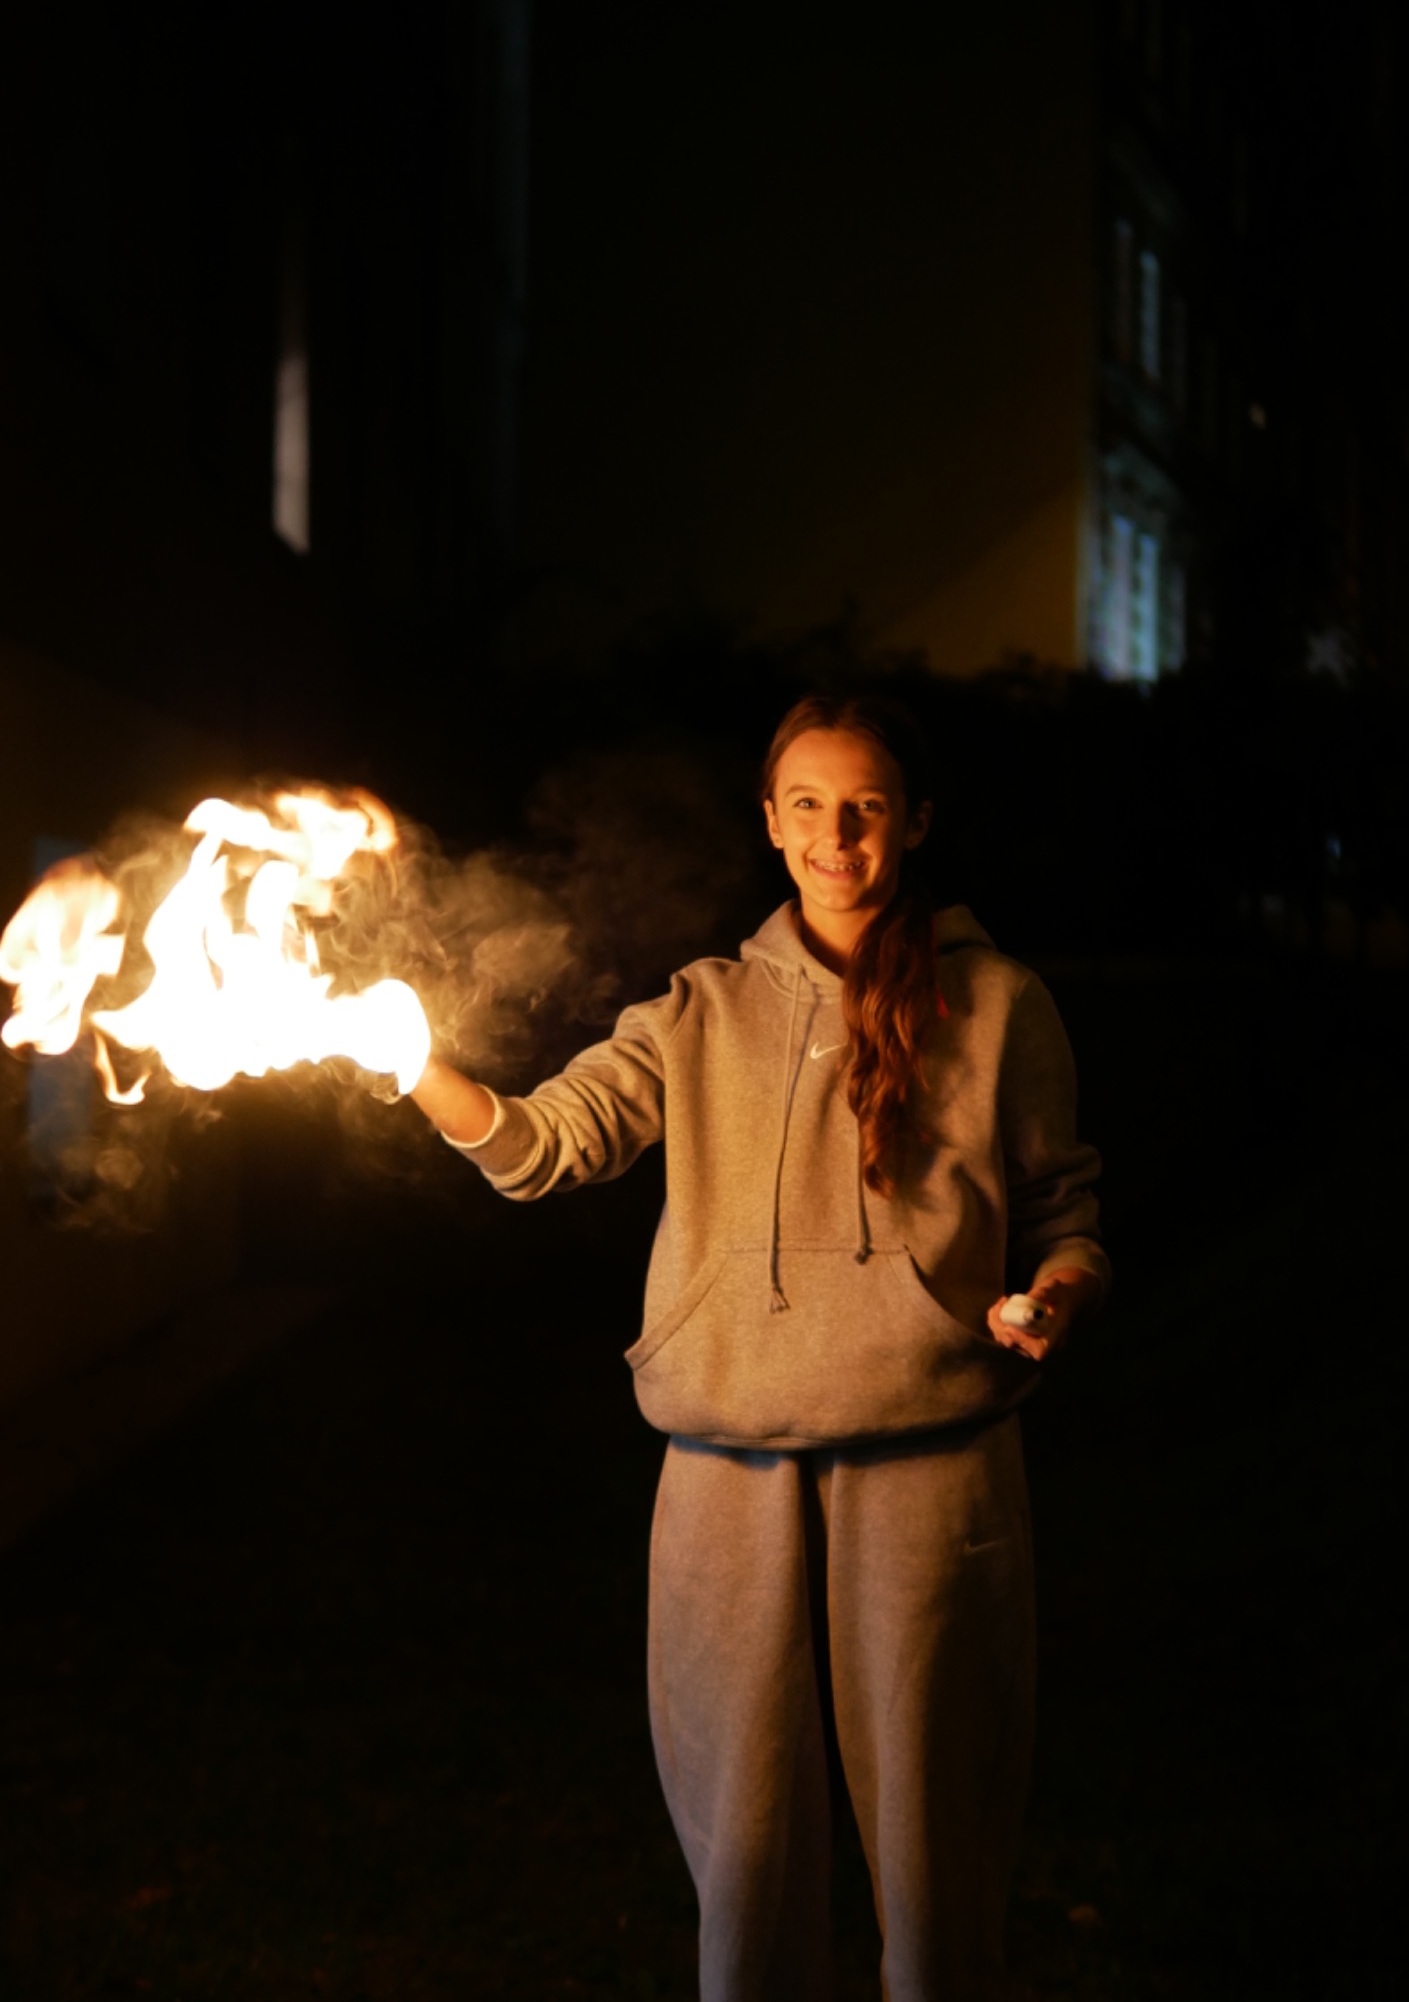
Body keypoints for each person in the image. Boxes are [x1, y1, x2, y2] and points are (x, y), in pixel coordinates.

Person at [409, 692, 1108, 2002]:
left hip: (933, 1466)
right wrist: (407, 1061)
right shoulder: (697, 1011)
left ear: (910, 825)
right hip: (726, 1474)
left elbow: (1065, 1215)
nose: (834, 834)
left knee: (938, 1850)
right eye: (805, 805)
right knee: (745, 1846)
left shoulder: (1002, 1003)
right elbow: (540, 1148)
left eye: (864, 807)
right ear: (769, 825)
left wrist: (1051, 1297)